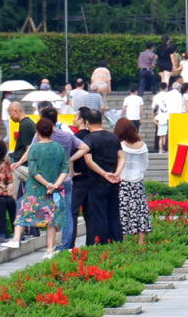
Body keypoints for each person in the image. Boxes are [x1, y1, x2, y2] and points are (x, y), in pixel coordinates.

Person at [10, 118, 71, 253]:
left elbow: (33, 172)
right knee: (52, 220)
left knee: (24, 212)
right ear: (52, 132)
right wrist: (55, 184)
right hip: (54, 191)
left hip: (35, 189)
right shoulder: (59, 148)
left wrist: (47, 184)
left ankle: (16, 239)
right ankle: (50, 250)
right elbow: (65, 170)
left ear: (37, 132)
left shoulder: (34, 148)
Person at [70, 106, 123, 246]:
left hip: (97, 181)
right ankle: (118, 243)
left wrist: (105, 174)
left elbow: (89, 161)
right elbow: (122, 158)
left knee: (99, 214)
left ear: (87, 122)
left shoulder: (88, 138)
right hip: (114, 181)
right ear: (101, 121)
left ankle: (103, 243)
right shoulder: (113, 137)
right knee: (114, 213)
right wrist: (117, 172)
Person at [115, 119, 151, 243]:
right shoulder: (142, 144)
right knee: (140, 208)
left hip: (123, 180)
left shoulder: (120, 145)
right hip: (138, 181)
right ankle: (142, 239)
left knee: (123, 209)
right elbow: (145, 164)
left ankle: (123, 239)